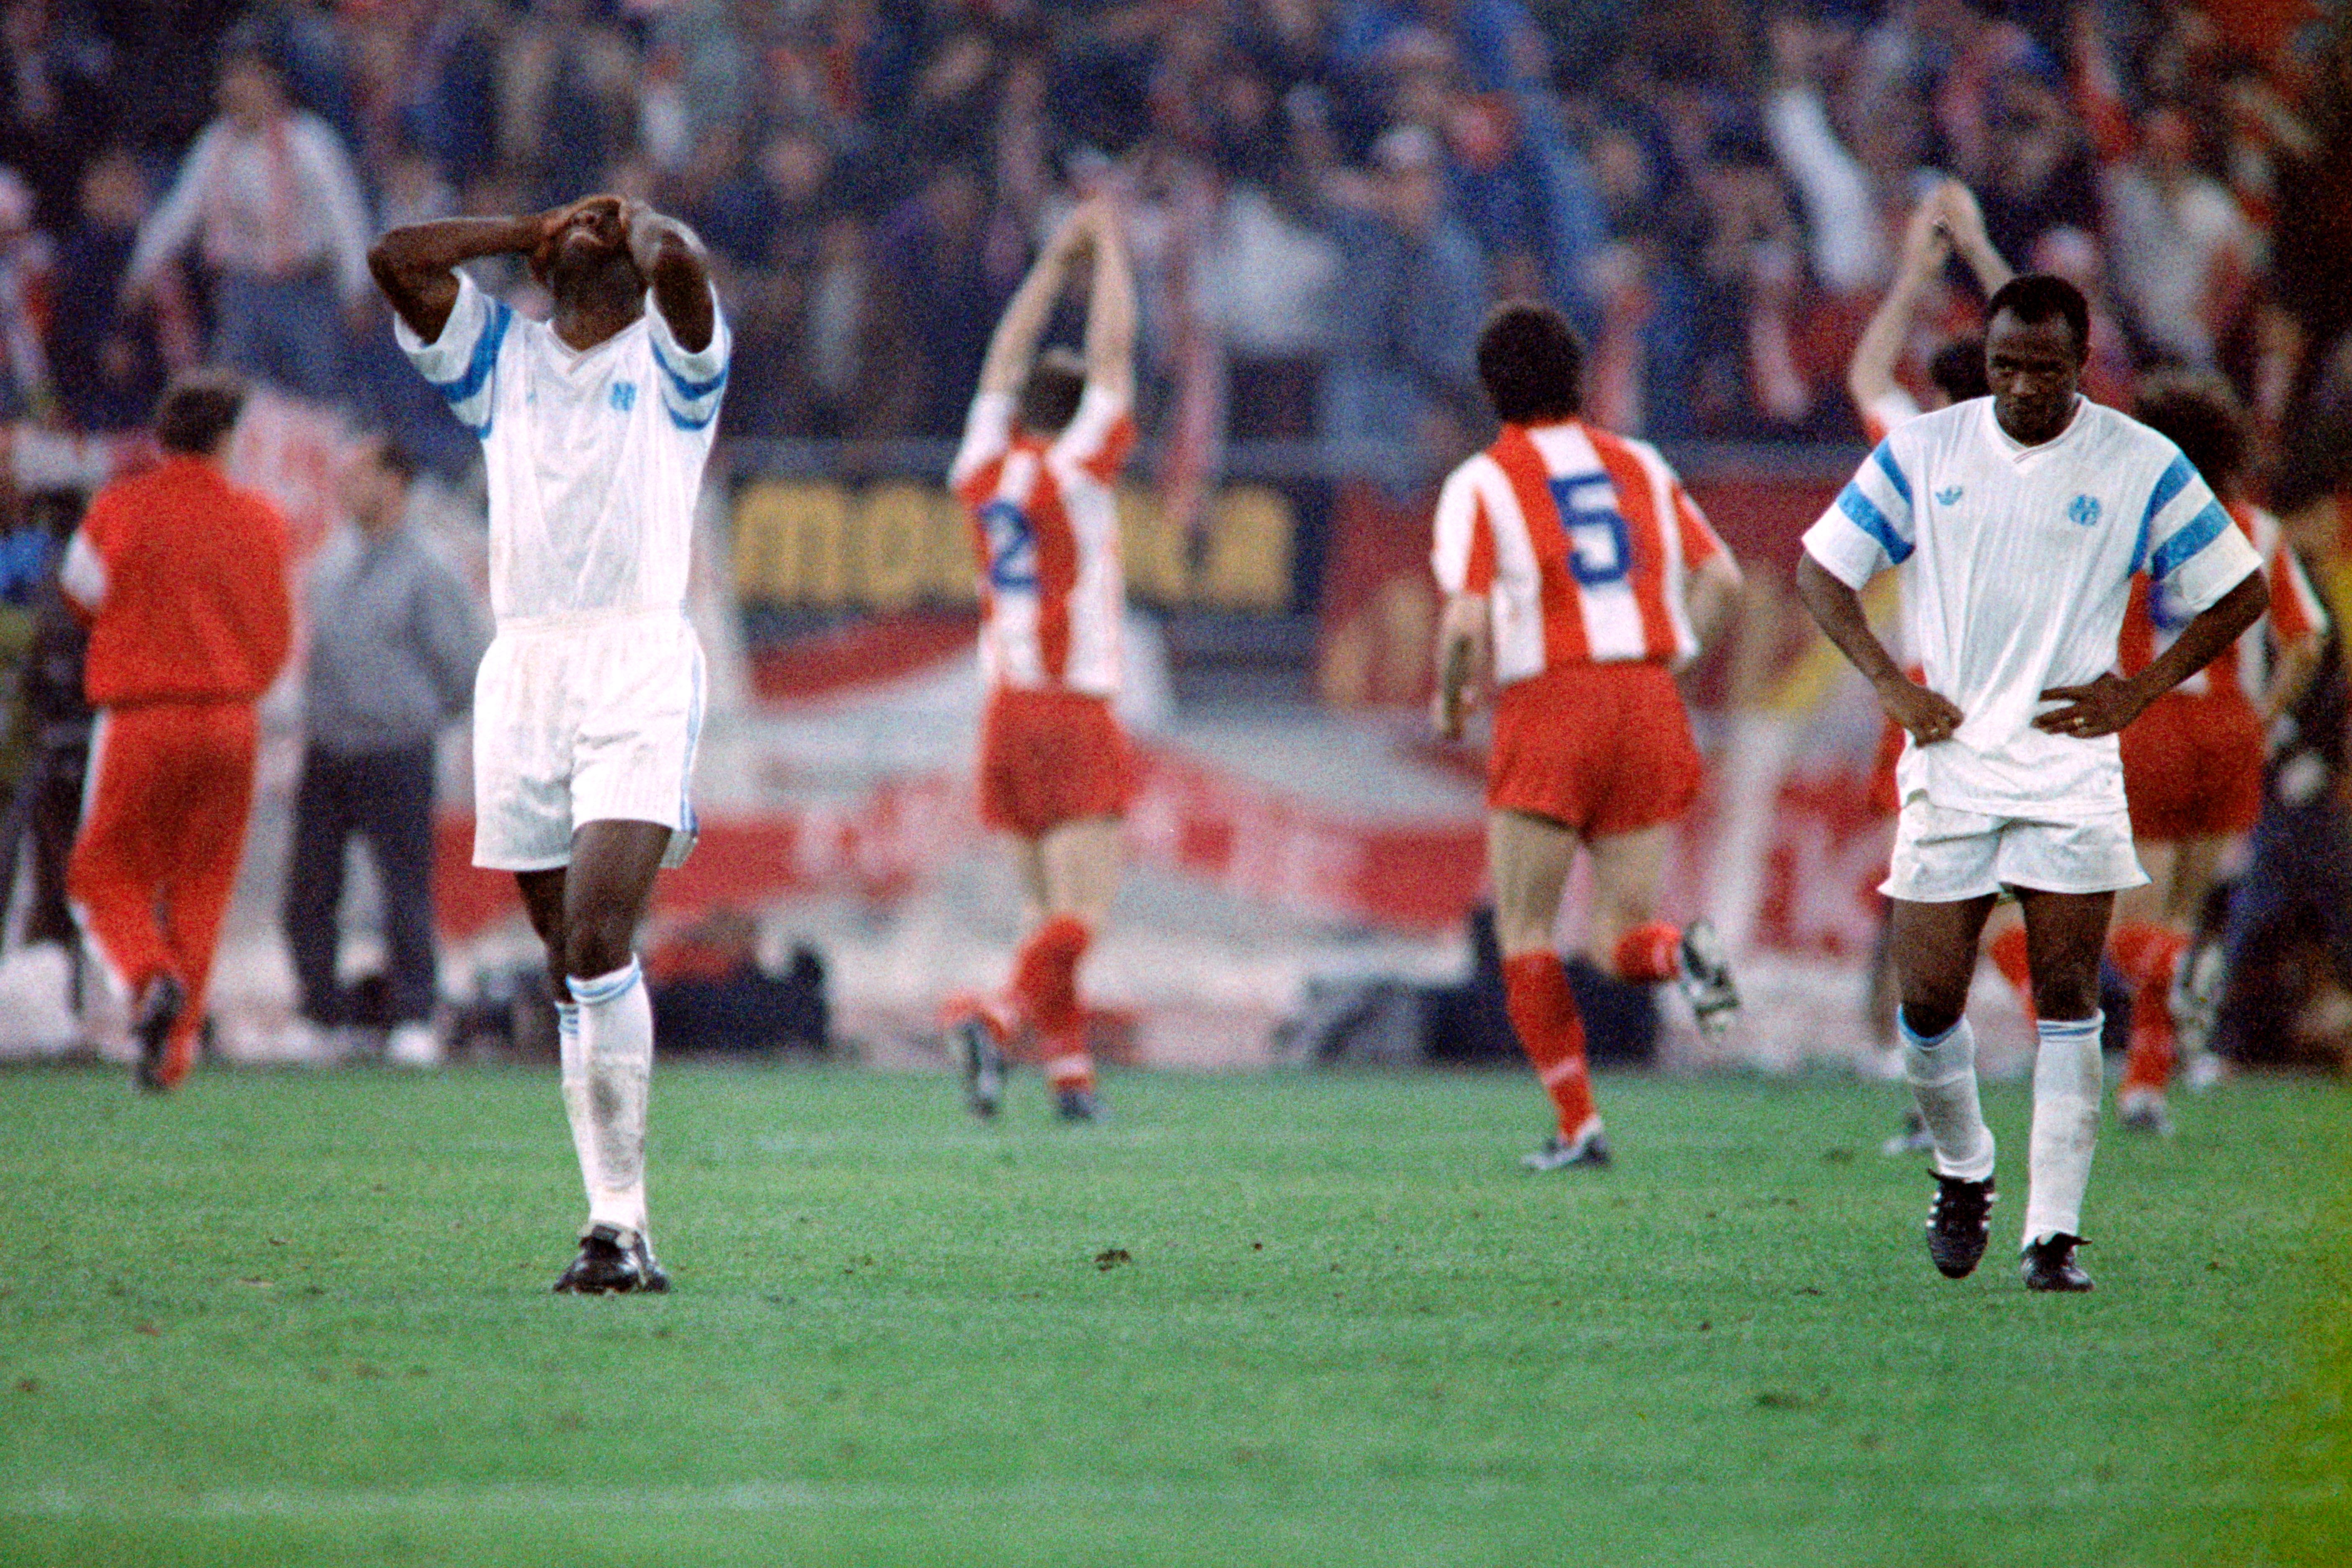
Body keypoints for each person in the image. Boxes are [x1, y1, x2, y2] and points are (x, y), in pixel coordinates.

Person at [1796, 275, 2269, 1292]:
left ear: (2081, 361)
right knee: (1927, 998)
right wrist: (1889, 683)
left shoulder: (2138, 462)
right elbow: (1820, 572)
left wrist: (2138, 689)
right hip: (1953, 759)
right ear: (1990, 354)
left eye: (2044, 369)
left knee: (2066, 996)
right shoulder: (1927, 449)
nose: (2020, 386)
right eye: (2006, 364)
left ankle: (2052, 1233)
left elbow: (2242, 589)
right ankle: (1964, 1165)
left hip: (2068, 765)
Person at [371, 191, 729, 1294]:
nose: (593, 229)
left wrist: (635, 224)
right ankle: (612, 1225)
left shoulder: (676, 361)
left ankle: (619, 1223)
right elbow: (395, 258)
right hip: (523, 669)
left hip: (634, 662)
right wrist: (523, 227)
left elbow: (686, 267)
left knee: (595, 936)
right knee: (562, 959)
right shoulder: (500, 360)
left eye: (605, 228)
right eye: (574, 230)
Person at [1430, 301, 1745, 1171]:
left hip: (1551, 705)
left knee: (1526, 931)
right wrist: (1665, 668)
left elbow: (1464, 626)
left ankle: (1579, 1127)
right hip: (1645, 700)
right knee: (1619, 938)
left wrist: (1452, 700)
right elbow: (1723, 581)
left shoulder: (1484, 481)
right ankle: (1684, 953)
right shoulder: (1639, 461)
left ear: (1490, 389)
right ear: (1578, 377)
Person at [939, 197, 1139, 1125]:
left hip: (1004, 711)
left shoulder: (985, 467)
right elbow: (1115, 358)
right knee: (1082, 915)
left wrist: (1053, 266)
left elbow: (1000, 363)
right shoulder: (1078, 469)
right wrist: (1111, 248)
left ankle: (1070, 1078)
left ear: (1020, 412)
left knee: (1042, 917)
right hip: (1073, 704)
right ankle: (997, 1015)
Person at [61, 371, 293, 1091]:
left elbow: (79, 594)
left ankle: (145, 974)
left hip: (141, 716)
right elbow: (279, 634)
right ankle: (172, 1052)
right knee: (202, 885)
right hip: (232, 721)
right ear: (226, 438)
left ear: (160, 438)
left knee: (102, 876)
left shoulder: (119, 508)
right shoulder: (262, 518)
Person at [2107, 373, 2325, 1133]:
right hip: (2230, 727)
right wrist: (2264, 718)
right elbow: (2309, 638)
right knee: (2181, 912)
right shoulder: (2257, 529)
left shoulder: (2128, 523)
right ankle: (2144, 1085)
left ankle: (2183, 978)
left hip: (2148, 726)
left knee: (2125, 924)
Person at [1844, 178, 2014, 1157]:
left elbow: (1868, 376)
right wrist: (1983, 249)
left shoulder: (1913, 452)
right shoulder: (2042, 453)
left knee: (1928, 888)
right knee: (1992, 887)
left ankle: (1910, 1057)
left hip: (1928, 700)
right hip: (2020, 694)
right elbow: (2058, 341)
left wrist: (1914, 275)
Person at [284, 436, 488, 1068]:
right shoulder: (333, 560)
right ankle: (320, 1013)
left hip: (396, 749)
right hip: (328, 746)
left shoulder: (429, 567)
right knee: (310, 889)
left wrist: (416, 717)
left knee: (403, 889)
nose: (345, 488)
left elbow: (467, 662)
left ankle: (415, 1014)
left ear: (395, 482)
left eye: (359, 475)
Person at [121, 43, 373, 403]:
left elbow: (345, 216)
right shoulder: (214, 145)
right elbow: (180, 212)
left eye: (248, 81)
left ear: (272, 86)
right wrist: (143, 268)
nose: (238, 92)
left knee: (321, 394)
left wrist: (357, 289)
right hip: (242, 290)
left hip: (305, 289)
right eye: (231, 82)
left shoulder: (309, 141)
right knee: (237, 396)